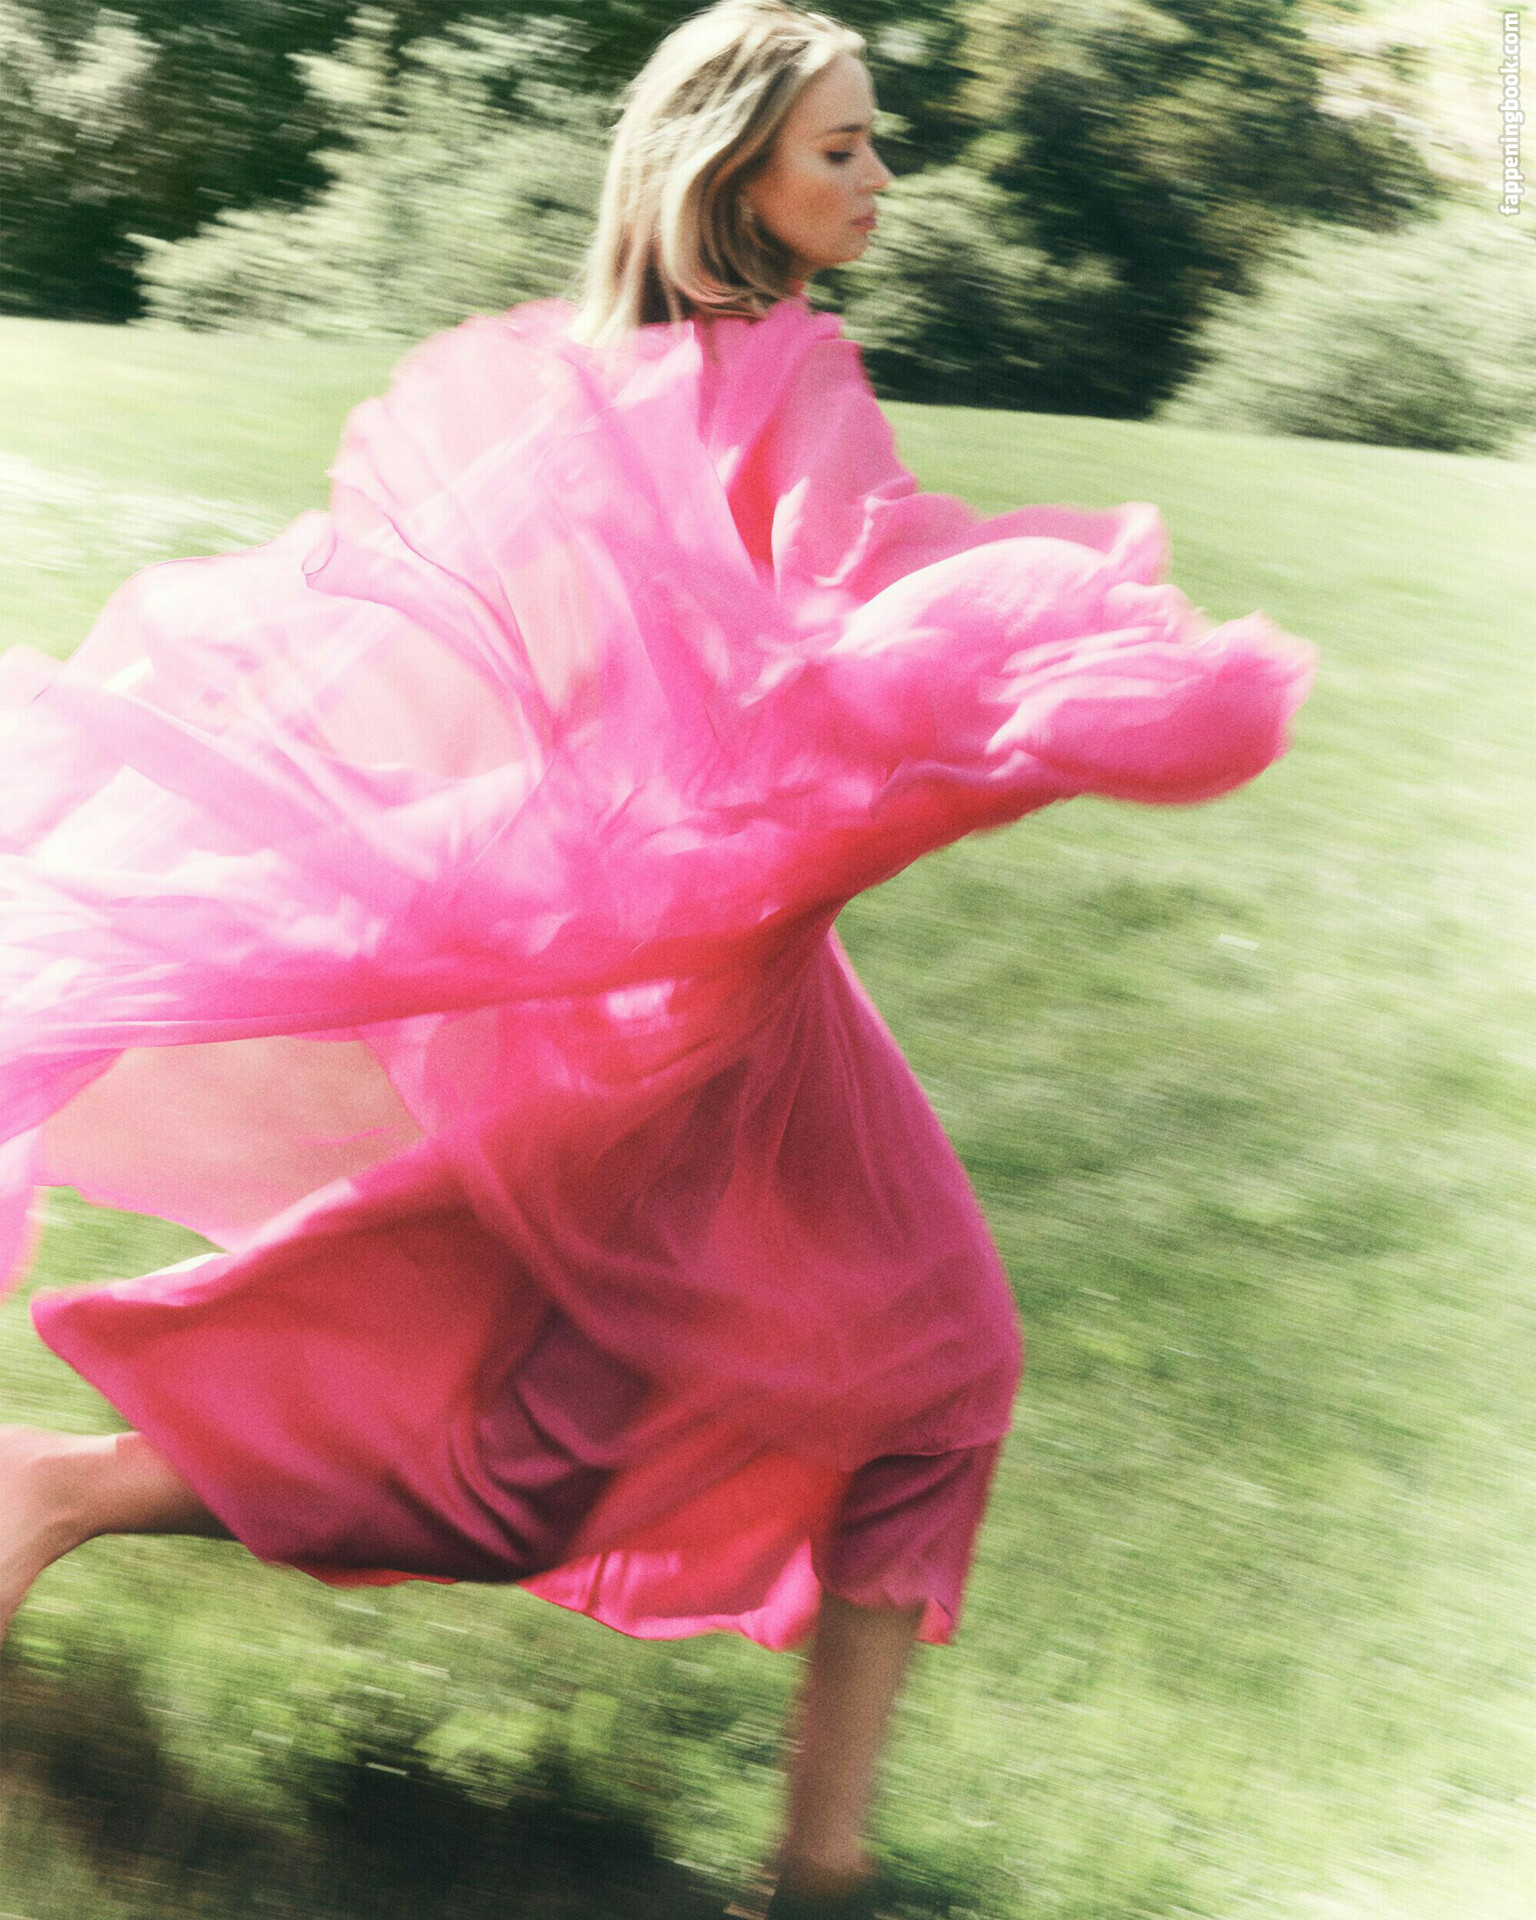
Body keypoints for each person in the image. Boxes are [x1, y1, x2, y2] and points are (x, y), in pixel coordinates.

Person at [0, 4, 1313, 1915]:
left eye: (874, 141)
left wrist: (1022, 679)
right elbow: (819, 624)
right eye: (843, 146)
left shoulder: (610, 372)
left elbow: (768, 639)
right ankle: (72, 1488)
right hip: (678, 1002)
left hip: (698, 985)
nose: (880, 177)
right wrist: (1054, 672)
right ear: (733, 168)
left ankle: (818, 1860)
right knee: (854, 1383)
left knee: (629, 1412)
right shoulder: (750, 372)